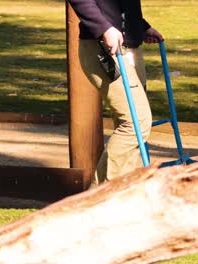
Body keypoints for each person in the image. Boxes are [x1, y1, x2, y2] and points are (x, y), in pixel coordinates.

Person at [67, 0, 163, 186]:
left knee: (134, 127)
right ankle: (102, 196)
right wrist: (104, 28)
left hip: (130, 47)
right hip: (104, 47)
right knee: (136, 123)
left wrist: (142, 26)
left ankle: (126, 191)